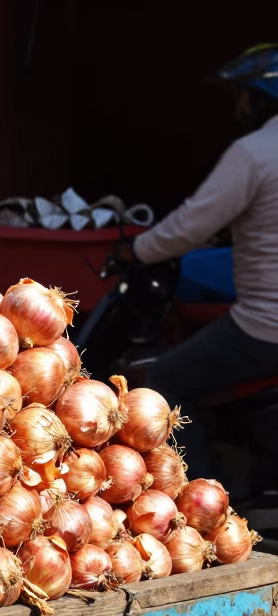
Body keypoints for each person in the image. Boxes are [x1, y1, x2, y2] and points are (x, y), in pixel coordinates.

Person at [120, 45, 278, 482]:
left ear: (259, 95)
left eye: (241, 96)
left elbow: (191, 224)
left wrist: (138, 250)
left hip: (267, 327)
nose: (239, 107)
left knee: (166, 380)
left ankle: (197, 503)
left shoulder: (255, 151)